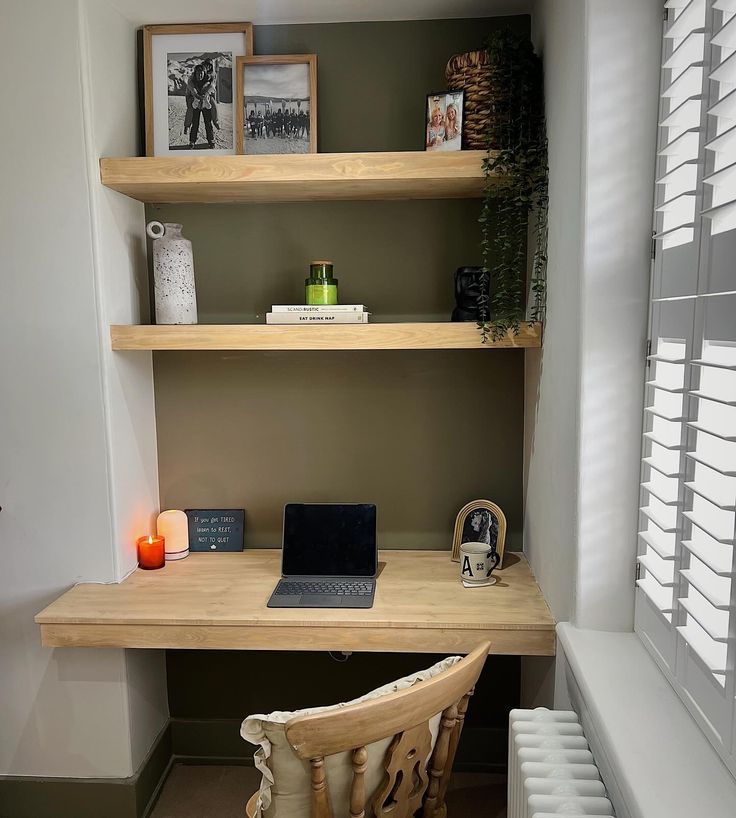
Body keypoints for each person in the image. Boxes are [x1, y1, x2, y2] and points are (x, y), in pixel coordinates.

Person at [187, 64, 215, 149]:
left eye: (201, 74)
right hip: (196, 105)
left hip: (206, 104)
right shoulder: (191, 82)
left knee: (208, 123)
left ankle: (211, 140)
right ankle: (192, 141)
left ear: (204, 74)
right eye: (198, 74)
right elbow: (188, 94)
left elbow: (213, 92)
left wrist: (206, 95)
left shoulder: (209, 82)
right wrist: (194, 98)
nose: (200, 76)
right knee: (195, 123)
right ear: (195, 74)